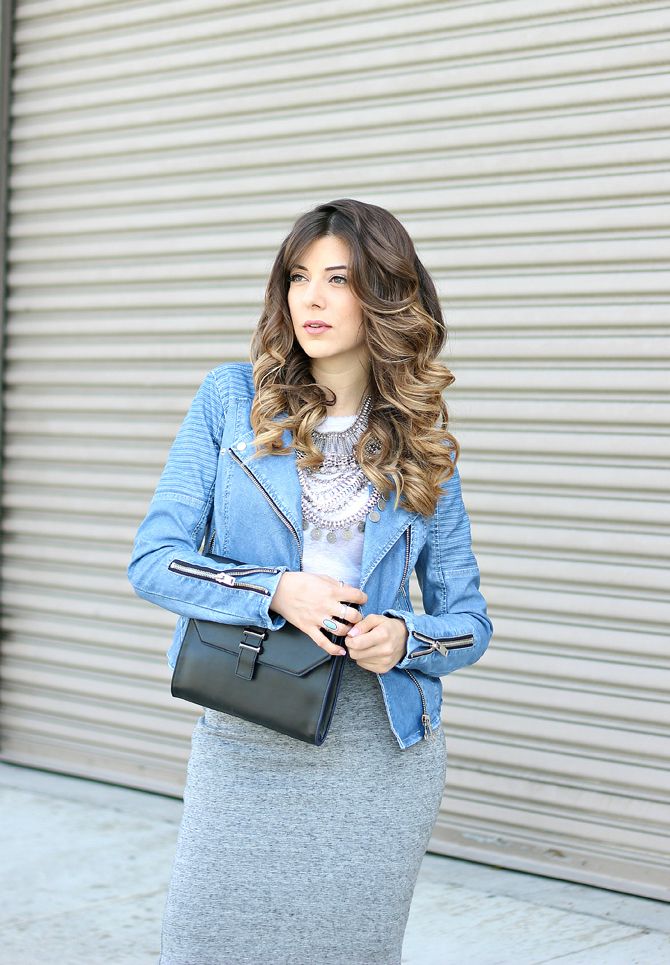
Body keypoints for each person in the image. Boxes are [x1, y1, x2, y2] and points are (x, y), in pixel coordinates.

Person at [127, 197, 493, 965]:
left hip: (378, 747)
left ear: (385, 296)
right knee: (205, 944)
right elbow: (155, 560)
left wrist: (406, 637)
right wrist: (274, 590)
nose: (311, 298)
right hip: (247, 725)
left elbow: (469, 621)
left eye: (339, 278)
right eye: (298, 277)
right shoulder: (232, 400)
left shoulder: (424, 443)